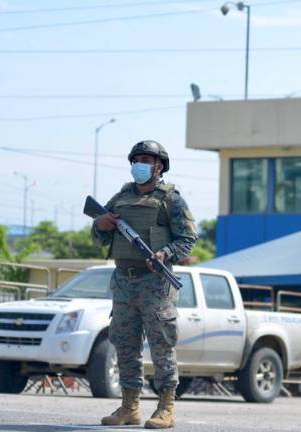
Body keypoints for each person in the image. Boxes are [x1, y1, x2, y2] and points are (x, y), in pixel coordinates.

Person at [92, 140, 197, 429]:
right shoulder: (121, 197)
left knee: (162, 345)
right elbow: (101, 234)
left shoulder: (171, 199)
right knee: (125, 345)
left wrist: (165, 253)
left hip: (155, 284)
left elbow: (188, 238)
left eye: (147, 159)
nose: (140, 164)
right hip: (124, 282)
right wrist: (100, 224)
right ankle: (129, 407)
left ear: (159, 165)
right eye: (136, 159)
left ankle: (166, 408)